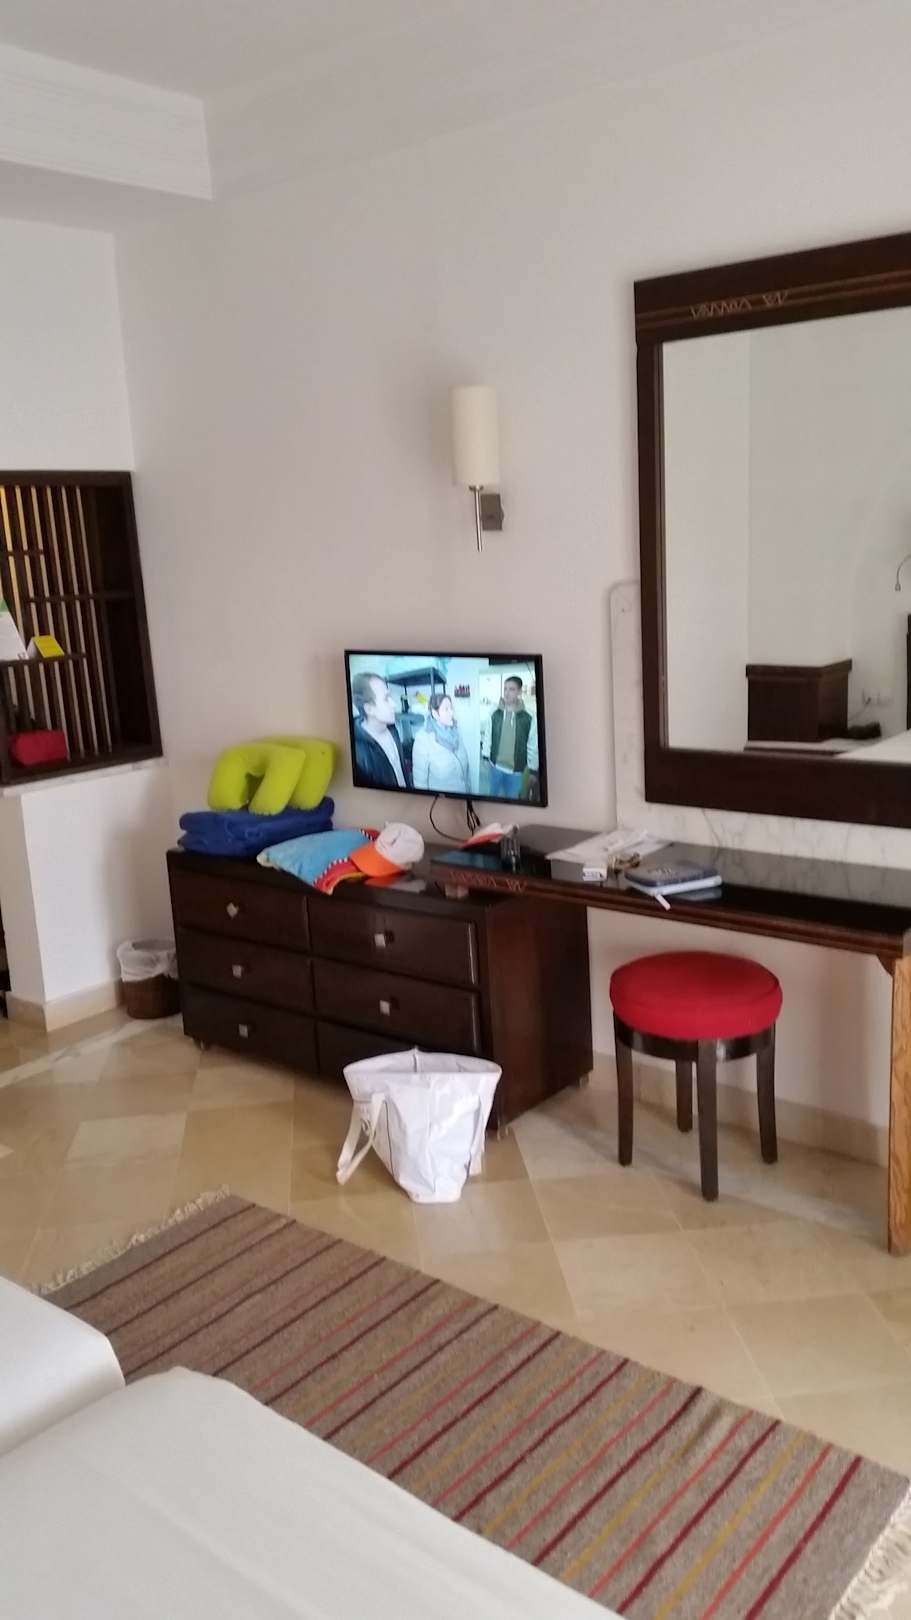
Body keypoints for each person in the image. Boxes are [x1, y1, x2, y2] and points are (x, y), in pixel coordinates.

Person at [482, 675, 539, 800]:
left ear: (519, 692)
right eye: (505, 689)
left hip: (516, 772)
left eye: (511, 689)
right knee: (493, 799)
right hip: (495, 767)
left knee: (512, 802)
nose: (507, 693)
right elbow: (488, 736)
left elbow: (533, 744)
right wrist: (485, 757)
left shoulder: (529, 716)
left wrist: (533, 770)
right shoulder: (495, 712)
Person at [351, 671, 410, 789]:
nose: (394, 704)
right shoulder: (357, 752)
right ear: (369, 709)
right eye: (386, 699)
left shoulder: (392, 729)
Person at [411, 692, 470, 795]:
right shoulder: (423, 739)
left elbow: (466, 771)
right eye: (446, 709)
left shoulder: (455, 731)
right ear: (435, 713)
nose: (451, 713)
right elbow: (420, 783)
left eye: (451, 708)